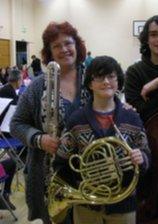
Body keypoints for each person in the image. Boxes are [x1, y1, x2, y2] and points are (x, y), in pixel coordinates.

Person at [55, 55, 151, 224]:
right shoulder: (76, 120)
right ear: (90, 84)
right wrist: (82, 189)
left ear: (118, 81)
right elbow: (61, 161)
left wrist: (141, 158)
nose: (106, 82)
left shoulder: (132, 118)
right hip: (86, 205)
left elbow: (147, 154)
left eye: (111, 76)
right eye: (99, 77)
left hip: (124, 205)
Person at [10, 21, 89, 224]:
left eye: (68, 43)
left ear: (77, 45)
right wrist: (38, 139)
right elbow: (16, 123)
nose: (64, 49)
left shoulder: (93, 79)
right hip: (49, 175)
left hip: (89, 173)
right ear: (49, 52)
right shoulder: (37, 87)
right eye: (56, 46)